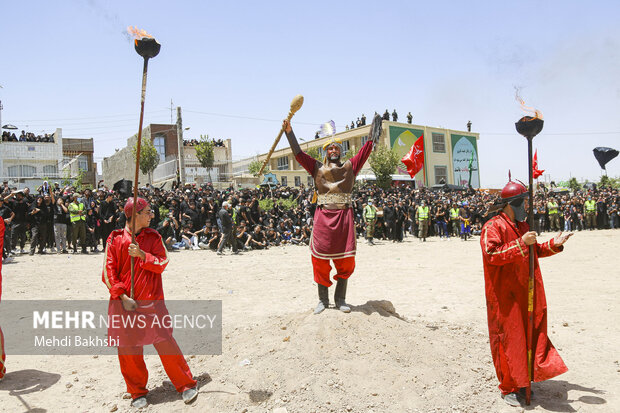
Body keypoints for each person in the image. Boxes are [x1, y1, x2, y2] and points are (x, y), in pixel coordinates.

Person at [480, 180, 572, 407]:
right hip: (504, 297)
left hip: (524, 293)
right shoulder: (493, 227)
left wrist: (553, 244)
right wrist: (521, 243)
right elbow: (492, 255)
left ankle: (523, 380)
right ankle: (508, 386)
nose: (527, 207)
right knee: (508, 341)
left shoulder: (520, 226)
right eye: (525, 202)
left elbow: (533, 251)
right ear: (514, 203)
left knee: (525, 337)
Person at [102, 197, 198, 408]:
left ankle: (185, 384)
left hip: (152, 303)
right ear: (134, 214)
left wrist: (143, 255)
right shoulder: (115, 238)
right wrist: (123, 297)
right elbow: (108, 273)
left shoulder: (154, 236)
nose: (151, 215)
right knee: (129, 349)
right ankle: (137, 392)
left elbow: (162, 262)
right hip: (125, 304)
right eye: (147, 212)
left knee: (165, 342)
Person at [283, 114, 380, 314]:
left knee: (346, 260)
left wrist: (373, 130)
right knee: (319, 260)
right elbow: (298, 154)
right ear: (325, 152)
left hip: (344, 218)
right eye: (330, 148)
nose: (333, 150)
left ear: (340, 152)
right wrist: (290, 134)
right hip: (323, 218)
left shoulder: (350, 167)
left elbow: (366, 149)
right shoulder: (316, 167)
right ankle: (322, 300)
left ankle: (341, 299)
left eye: (336, 148)